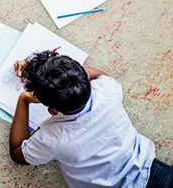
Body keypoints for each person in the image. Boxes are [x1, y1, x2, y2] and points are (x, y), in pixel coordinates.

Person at [10, 50, 172, 188]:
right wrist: (58, 75)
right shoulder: (108, 90)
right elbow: (99, 74)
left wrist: (23, 99)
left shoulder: (52, 137)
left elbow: (17, 152)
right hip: (156, 172)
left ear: (52, 110)